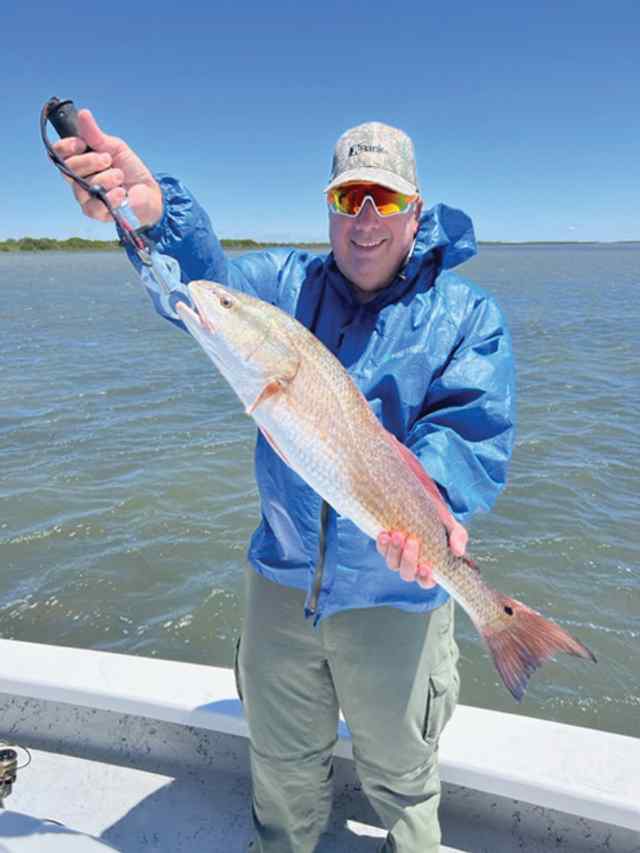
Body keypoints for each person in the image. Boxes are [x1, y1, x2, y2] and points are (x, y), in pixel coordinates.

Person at [54, 117, 516, 852]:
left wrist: (435, 512)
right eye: (349, 196)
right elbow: (205, 287)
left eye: (385, 200)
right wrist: (149, 216)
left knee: (402, 778)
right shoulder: (283, 286)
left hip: (398, 595)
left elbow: (470, 434)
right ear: (329, 205)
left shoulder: (467, 317)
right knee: (281, 774)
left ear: (416, 210)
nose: (365, 219)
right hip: (280, 581)